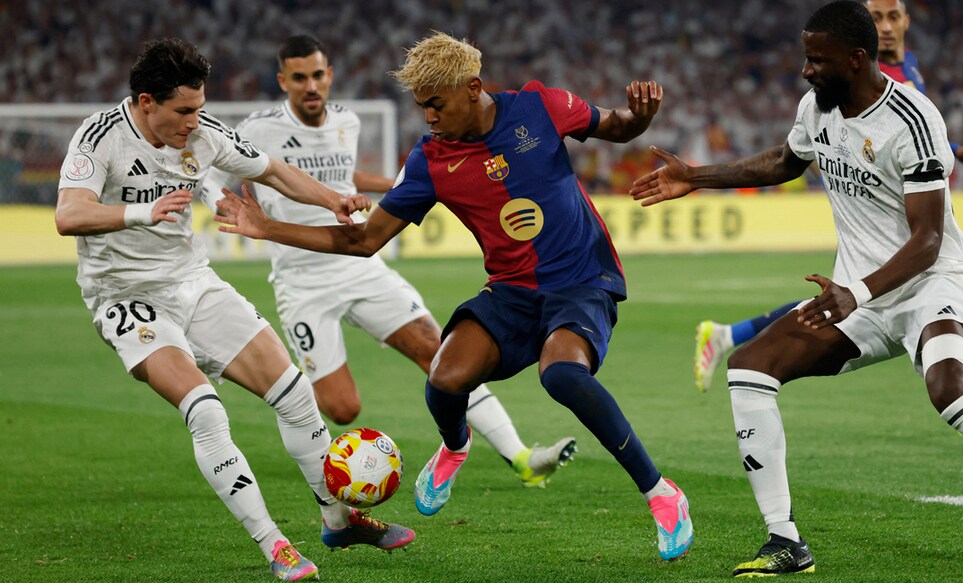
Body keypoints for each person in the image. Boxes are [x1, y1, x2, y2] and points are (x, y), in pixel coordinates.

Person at [629, 2, 963, 577]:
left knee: (948, 386)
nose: (806, 71)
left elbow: (928, 239)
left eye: (817, 60)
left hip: (930, 287)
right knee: (749, 369)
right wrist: (696, 176)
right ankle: (785, 541)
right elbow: (784, 162)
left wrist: (858, 293)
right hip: (860, 297)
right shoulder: (817, 110)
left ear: (856, 58)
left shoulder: (913, 120)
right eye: (805, 58)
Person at [214, 31, 694, 561]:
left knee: (561, 374)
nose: (428, 117)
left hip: (581, 280)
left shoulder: (541, 105)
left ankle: (661, 494)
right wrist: (266, 228)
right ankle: (455, 447)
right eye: (420, 107)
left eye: (435, 104)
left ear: (472, 88)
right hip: (511, 292)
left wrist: (641, 118)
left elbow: (618, 127)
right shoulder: (431, 160)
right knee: (443, 379)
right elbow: (364, 239)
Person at [54, 38, 413, 582]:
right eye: (183, 111)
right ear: (147, 101)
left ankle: (338, 519)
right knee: (206, 410)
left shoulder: (203, 133)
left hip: (193, 284)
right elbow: (69, 214)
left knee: (294, 392)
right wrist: (142, 212)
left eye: (199, 108)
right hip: (126, 298)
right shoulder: (100, 136)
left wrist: (332, 200)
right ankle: (275, 546)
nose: (194, 122)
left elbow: (274, 170)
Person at [203, 34, 576, 488]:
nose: (311, 85)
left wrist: (405, 188)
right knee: (343, 408)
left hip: (362, 268)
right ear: (283, 81)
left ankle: (520, 457)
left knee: (438, 351)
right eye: (299, 78)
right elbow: (215, 170)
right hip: (302, 281)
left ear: (330, 75)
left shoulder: (348, 121)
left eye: (318, 74)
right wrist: (219, 203)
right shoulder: (259, 129)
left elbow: (341, 173)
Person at [690, 0, 963, 395]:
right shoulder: (849, 78)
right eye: (876, 17)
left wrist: (953, 147)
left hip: (913, 217)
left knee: (898, 309)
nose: (884, 26)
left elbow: (904, 133)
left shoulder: (907, 71)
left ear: (906, 21)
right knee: (849, 301)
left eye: (890, 16)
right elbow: (826, 146)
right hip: (881, 218)